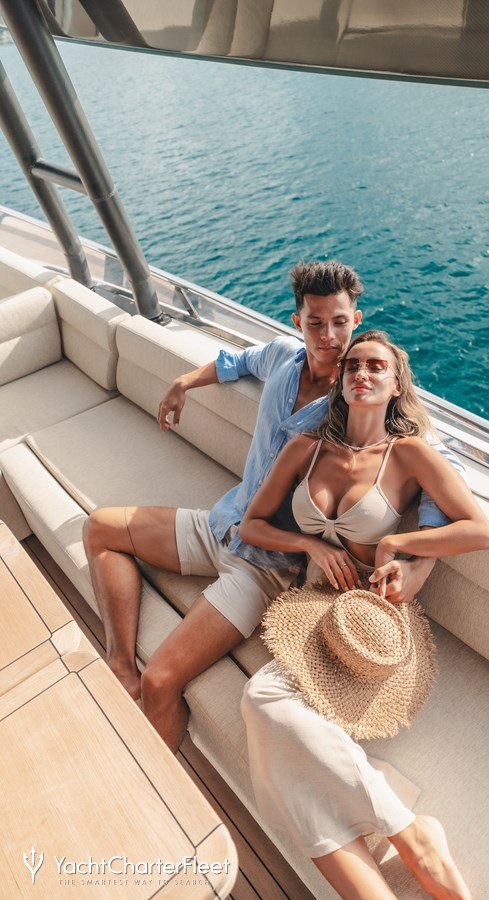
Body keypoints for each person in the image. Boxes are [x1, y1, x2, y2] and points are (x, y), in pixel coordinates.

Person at [83, 261, 466, 752]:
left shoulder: (360, 398)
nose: (329, 337)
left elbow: (442, 464)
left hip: (266, 567)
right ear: (297, 322)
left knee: (161, 679)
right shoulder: (283, 356)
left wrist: (420, 561)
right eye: (315, 323)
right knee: (99, 527)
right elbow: (237, 362)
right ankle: (119, 664)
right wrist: (184, 382)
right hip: (224, 522)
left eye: (340, 322)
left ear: (356, 319)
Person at [239, 330, 489, 900]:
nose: (362, 372)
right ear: (342, 380)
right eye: (353, 364)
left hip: (368, 618)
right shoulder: (305, 448)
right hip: (313, 609)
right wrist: (309, 544)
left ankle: (408, 839)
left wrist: (401, 547)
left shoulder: (408, 454)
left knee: (262, 699)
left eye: (376, 366)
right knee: (277, 733)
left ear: (396, 384)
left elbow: (480, 531)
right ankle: (410, 839)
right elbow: (252, 524)